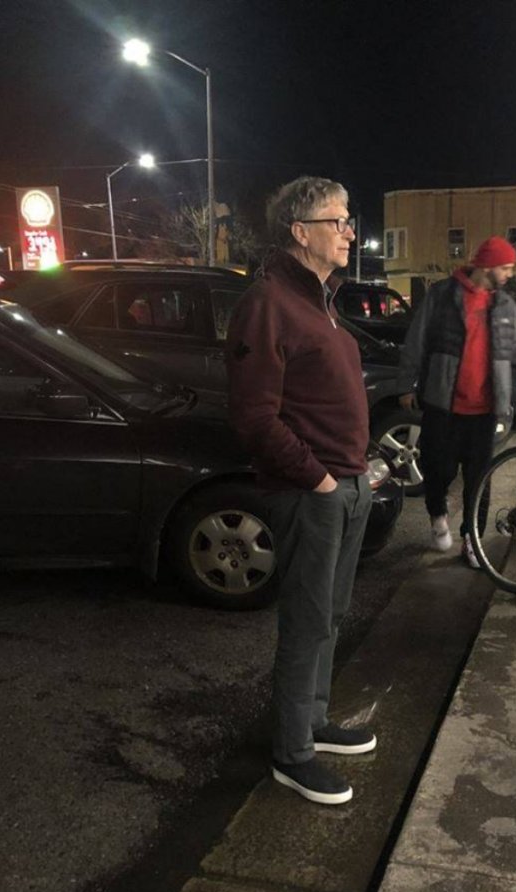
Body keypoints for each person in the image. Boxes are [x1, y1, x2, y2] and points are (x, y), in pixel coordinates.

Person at [226, 176, 375, 807]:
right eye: (337, 221)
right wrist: (317, 479)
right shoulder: (267, 303)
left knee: (331, 616)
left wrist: (357, 475)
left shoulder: (322, 299)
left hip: (347, 485)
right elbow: (256, 417)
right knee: (306, 622)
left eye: (348, 220)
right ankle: (292, 753)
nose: (348, 231)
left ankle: (312, 721)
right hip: (311, 492)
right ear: (300, 231)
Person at [397, 236, 516, 568]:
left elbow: (514, 352)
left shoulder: (505, 305)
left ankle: (472, 541)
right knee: (439, 471)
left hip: (484, 412)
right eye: (505, 267)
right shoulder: (442, 295)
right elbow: (416, 340)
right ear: (487, 265)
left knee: (480, 480)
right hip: (443, 405)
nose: (509, 274)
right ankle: (437, 516)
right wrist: (406, 384)